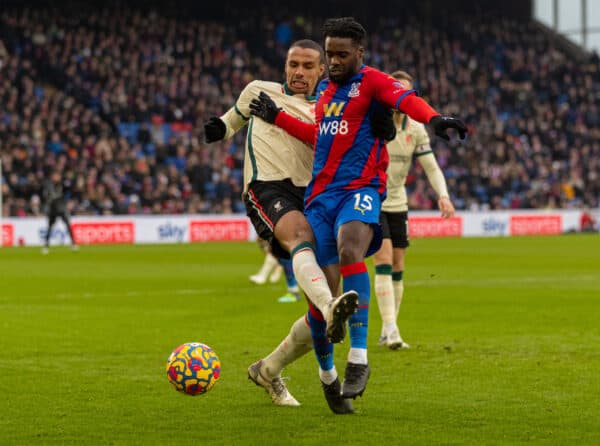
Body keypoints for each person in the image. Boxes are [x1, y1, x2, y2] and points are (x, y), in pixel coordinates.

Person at [249, 17, 467, 401]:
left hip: (360, 189)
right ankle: (328, 376)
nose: (333, 61)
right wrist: (278, 118)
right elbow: (319, 137)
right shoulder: (323, 94)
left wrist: (434, 118)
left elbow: (404, 98)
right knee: (325, 301)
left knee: (352, 248)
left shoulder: (371, 81)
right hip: (319, 198)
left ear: (359, 54)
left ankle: (359, 357)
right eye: (329, 53)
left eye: (341, 55)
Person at [203, 39, 396, 414]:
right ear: (285, 65)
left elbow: (367, 129)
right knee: (303, 244)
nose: (299, 72)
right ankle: (330, 309)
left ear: (322, 70)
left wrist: (383, 124)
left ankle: (268, 368)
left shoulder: (332, 104)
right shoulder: (259, 91)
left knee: (319, 311)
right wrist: (217, 129)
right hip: (269, 188)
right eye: (294, 64)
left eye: (309, 66)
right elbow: (230, 122)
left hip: (318, 197)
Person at [373, 70, 456, 350]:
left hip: (399, 202)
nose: (401, 98)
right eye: (397, 92)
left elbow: (431, 167)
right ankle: (392, 330)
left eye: (407, 92)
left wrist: (443, 195)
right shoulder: (376, 122)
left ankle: (388, 329)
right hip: (373, 199)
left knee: (398, 264)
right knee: (382, 258)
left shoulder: (416, 128)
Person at [41, 171, 78, 254]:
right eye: (55, 176)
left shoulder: (63, 184)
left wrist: (70, 202)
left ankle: (74, 244)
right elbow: (45, 196)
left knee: (68, 225)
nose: (56, 178)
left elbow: (71, 190)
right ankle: (46, 245)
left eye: (58, 176)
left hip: (61, 208)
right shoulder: (48, 185)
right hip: (53, 209)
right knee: (50, 227)